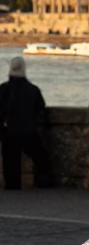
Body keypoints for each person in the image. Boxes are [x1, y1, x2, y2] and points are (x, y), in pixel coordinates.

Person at [0, 56, 52, 190]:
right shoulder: (33, 89)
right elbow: (41, 110)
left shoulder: (4, 89)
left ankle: (13, 185)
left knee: (10, 160)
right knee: (40, 156)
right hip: (29, 130)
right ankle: (43, 181)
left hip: (9, 131)